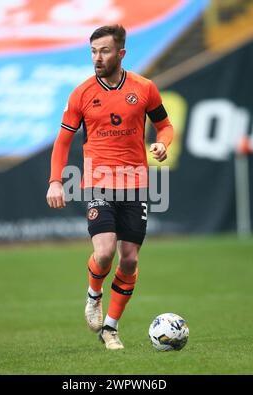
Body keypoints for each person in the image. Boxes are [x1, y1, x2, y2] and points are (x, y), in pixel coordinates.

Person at [46, 25, 174, 350]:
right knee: (104, 253)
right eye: (93, 51)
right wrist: (55, 182)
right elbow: (62, 142)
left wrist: (162, 144)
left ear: (121, 53)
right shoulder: (82, 93)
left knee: (128, 260)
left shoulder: (144, 88)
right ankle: (93, 295)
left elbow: (165, 126)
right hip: (99, 182)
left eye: (104, 51)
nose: (97, 58)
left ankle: (110, 329)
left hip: (136, 184)